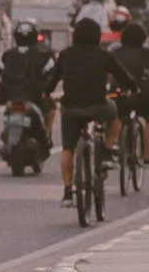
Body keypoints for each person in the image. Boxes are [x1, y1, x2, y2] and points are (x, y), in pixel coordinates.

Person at [43, 18, 139, 206]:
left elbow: (53, 80)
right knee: (114, 115)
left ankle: (68, 192)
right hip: (98, 106)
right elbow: (123, 75)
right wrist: (134, 89)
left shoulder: (65, 55)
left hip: (70, 108)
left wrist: (47, 94)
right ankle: (109, 149)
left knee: (68, 148)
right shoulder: (104, 56)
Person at [0, 20, 57, 147]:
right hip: (35, 95)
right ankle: (46, 134)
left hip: (10, 95)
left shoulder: (7, 54)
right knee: (51, 107)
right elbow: (51, 72)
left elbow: (1, 71)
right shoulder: (44, 54)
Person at [112, 22, 149, 160]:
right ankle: (146, 156)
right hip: (144, 96)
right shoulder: (147, 54)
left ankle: (115, 144)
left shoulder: (115, 53)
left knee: (116, 116)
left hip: (119, 94)